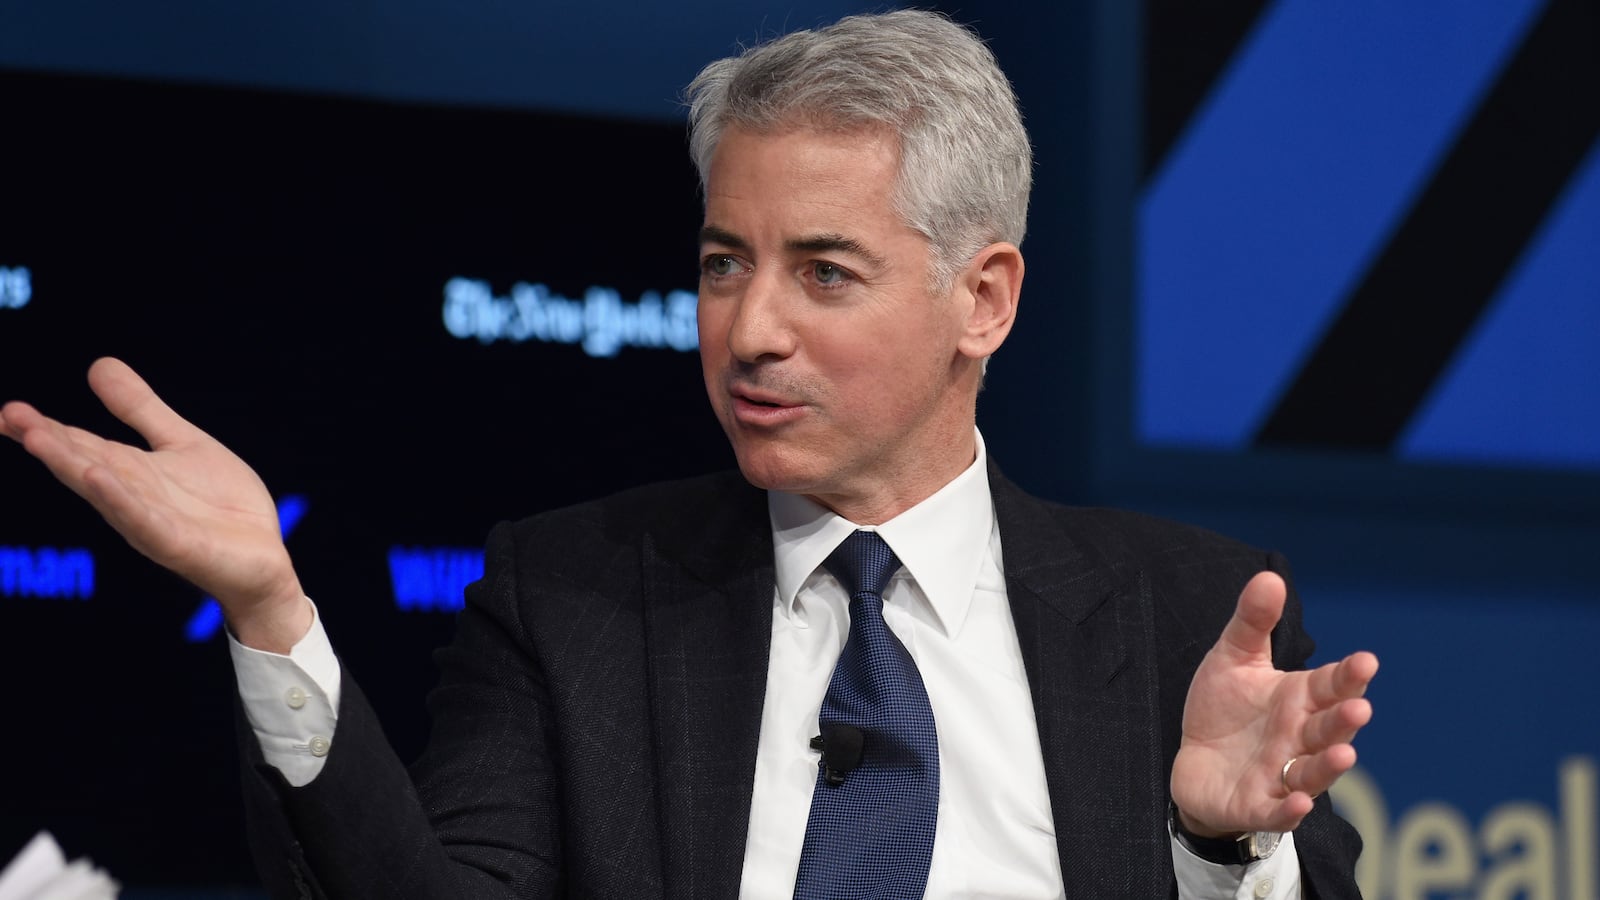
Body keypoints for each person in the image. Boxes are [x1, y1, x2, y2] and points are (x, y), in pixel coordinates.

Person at [0, 10, 1377, 899]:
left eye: (823, 273)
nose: (749, 329)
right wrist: (270, 610)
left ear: (986, 299)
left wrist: (1217, 851)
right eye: (725, 263)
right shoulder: (572, 597)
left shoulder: (1185, 612)